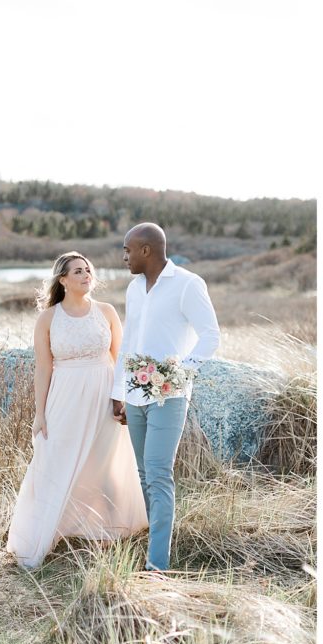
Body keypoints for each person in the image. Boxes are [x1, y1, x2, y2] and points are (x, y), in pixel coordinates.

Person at [7, 252, 148, 569]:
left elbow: (121, 359)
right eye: (79, 271)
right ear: (63, 280)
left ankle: (111, 534)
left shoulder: (106, 312)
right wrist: (39, 413)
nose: (86, 275)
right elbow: (43, 370)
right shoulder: (48, 318)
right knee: (57, 461)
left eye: (89, 270)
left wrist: (122, 397)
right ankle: (48, 532)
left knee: (106, 463)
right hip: (65, 399)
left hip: (103, 396)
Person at [111, 223, 220, 572]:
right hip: (135, 395)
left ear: (146, 250)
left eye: (128, 249)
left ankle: (157, 565)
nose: (124, 256)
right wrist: (119, 392)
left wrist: (179, 373)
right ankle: (152, 546)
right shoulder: (133, 288)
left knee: (159, 472)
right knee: (144, 474)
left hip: (169, 395)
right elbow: (128, 343)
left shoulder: (188, 284)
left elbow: (210, 336)